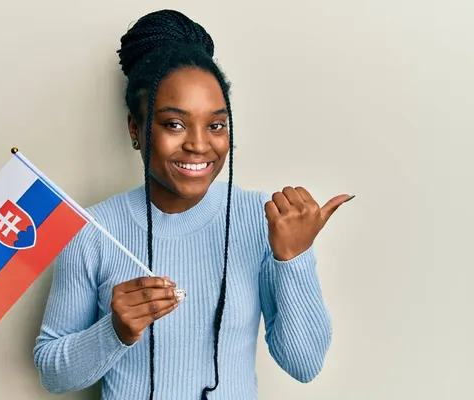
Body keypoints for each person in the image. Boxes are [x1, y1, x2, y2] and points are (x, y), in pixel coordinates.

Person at [33, 9, 353, 400]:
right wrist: (114, 332)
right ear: (136, 128)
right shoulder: (92, 231)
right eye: (174, 124)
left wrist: (294, 259)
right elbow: (52, 373)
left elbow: (303, 365)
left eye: (216, 125)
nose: (199, 144)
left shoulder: (264, 221)